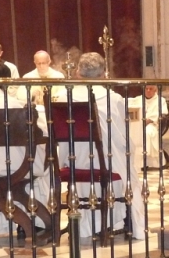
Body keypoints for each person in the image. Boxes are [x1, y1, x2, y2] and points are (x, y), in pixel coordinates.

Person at [57, 52, 144, 239]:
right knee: (126, 165)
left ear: (78, 72)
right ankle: (115, 219)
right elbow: (122, 136)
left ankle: (79, 219)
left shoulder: (62, 95)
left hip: (73, 163)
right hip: (106, 163)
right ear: (104, 73)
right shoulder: (112, 98)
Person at [0, 62, 49, 236]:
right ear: (7, 80)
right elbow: (41, 133)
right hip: (15, 168)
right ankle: (37, 224)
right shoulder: (15, 105)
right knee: (45, 156)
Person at [129, 85, 168, 169]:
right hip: (137, 124)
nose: (148, 91)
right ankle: (135, 161)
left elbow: (163, 113)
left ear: (155, 90)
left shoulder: (161, 100)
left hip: (152, 124)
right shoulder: (138, 99)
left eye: (151, 89)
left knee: (147, 132)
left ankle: (147, 162)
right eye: (146, 89)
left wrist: (150, 119)